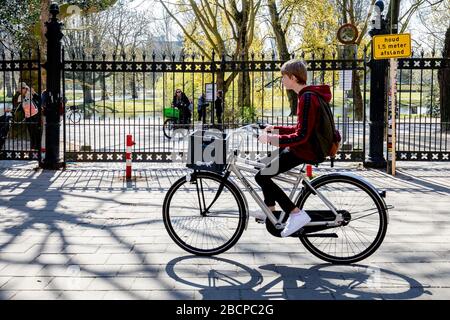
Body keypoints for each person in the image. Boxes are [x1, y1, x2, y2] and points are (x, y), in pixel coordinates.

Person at [255, 59, 332, 237]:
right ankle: (271, 211)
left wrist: (272, 138)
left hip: (307, 149)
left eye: (284, 77)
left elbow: (301, 136)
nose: (282, 80)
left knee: (262, 176)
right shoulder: (307, 95)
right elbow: (301, 129)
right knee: (264, 166)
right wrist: (275, 129)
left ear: (293, 77)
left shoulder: (306, 98)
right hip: (307, 146)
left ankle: (295, 213)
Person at [14, 82, 42, 150]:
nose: (20, 92)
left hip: (35, 115)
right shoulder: (21, 97)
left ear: (25, 89)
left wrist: (34, 93)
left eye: (21, 90)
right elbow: (20, 107)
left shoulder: (31, 93)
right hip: (27, 116)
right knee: (31, 132)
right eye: (19, 90)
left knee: (36, 132)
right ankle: (33, 147)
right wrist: (13, 111)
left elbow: (40, 100)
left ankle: (37, 148)